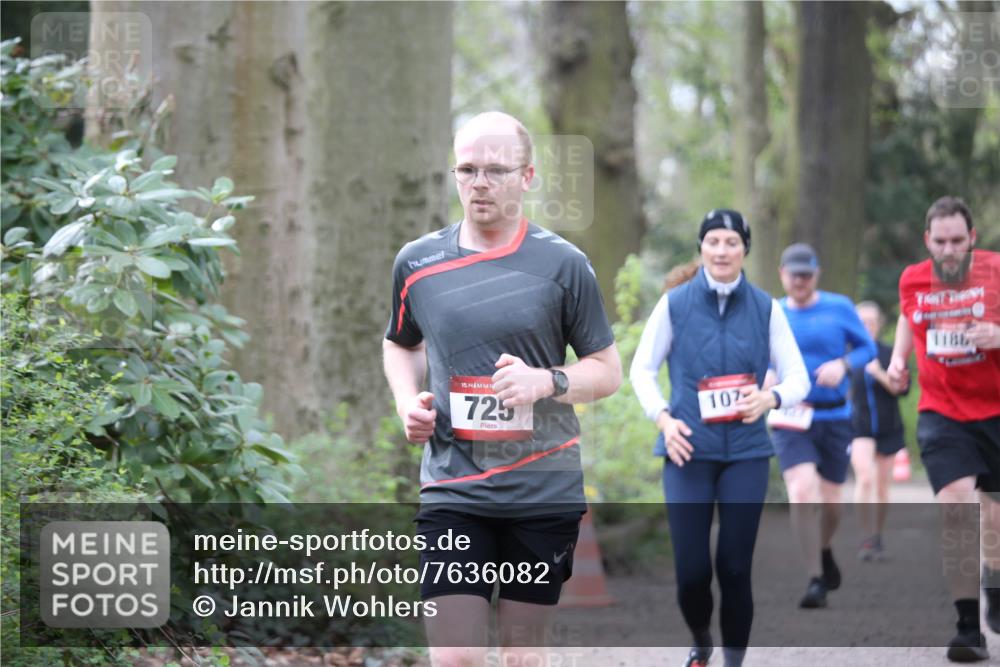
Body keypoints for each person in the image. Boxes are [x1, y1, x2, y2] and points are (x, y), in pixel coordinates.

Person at [382, 111, 622, 667]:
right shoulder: (417, 262)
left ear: (527, 176)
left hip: (542, 490)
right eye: (467, 170)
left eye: (496, 170)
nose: (480, 183)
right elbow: (400, 343)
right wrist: (406, 402)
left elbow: (607, 370)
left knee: (521, 656)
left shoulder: (564, 265)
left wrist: (548, 380)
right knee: (457, 657)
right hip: (454, 488)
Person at [630, 210, 810, 667]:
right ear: (701, 248)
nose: (722, 250)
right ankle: (701, 639)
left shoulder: (766, 307)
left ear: (745, 248)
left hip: (746, 454)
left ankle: (733, 660)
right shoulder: (675, 304)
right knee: (691, 572)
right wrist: (664, 419)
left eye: (731, 242)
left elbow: (798, 377)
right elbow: (642, 370)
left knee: (734, 567)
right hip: (687, 450)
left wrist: (769, 398)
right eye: (713, 241)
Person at [887, 196, 1000, 662]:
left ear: (972, 238)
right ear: (927, 241)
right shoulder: (913, 278)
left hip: (995, 411)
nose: (949, 250)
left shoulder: (996, 271)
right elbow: (906, 315)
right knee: (956, 504)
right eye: (940, 242)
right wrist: (898, 360)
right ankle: (967, 628)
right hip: (942, 412)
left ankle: (995, 581)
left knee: (995, 517)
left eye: (957, 241)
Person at [772, 243, 877, 609]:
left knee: (832, 504)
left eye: (806, 274)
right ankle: (815, 577)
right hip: (790, 417)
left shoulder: (839, 307)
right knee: (802, 491)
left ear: (816, 275)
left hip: (834, 416)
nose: (800, 281)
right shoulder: (772, 313)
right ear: (782, 274)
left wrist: (843, 365)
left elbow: (868, 349)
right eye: (793, 274)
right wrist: (766, 374)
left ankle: (824, 547)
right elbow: (757, 356)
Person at [849, 300, 910, 561]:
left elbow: (903, 389)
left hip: (888, 427)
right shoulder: (846, 356)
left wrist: (879, 373)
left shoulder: (890, 353)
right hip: (858, 427)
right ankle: (866, 536)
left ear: (879, 324)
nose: (867, 326)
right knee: (865, 478)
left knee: (882, 487)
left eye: (871, 322)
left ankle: (877, 535)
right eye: (861, 322)